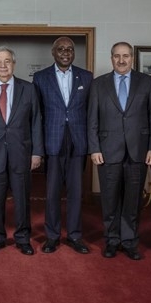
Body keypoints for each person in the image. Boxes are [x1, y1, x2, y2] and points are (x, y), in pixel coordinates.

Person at [88, 41, 151, 260]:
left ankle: (129, 241)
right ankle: (112, 240)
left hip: (138, 150)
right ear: (111, 58)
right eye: (117, 56)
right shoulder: (99, 84)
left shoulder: (146, 82)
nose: (121, 60)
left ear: (132, 58)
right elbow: (92, 120)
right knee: (109, 199)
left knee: (133, 200)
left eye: (125, 56)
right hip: (107, 151)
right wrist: (94, 148)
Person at [0, 46, 44, 256]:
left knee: (23, 199)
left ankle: (23, 238)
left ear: (14, 64)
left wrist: (37, 153)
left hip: (21, 154)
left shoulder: (29, 89)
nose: (3, 65)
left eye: (7, 61)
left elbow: (36, 122)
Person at [32, 37, 93, 254]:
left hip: (78, 141)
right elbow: (36, 116)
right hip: (53, 141)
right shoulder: (40, 78)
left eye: (69, 49)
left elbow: (91, 113)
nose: (65, 52)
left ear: (74, 53)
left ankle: (75, 236)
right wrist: (37, 149)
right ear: (53, 53)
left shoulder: (86, 77)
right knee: (52, 192)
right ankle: (52, 236)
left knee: (76, 192)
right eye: (61, 49)